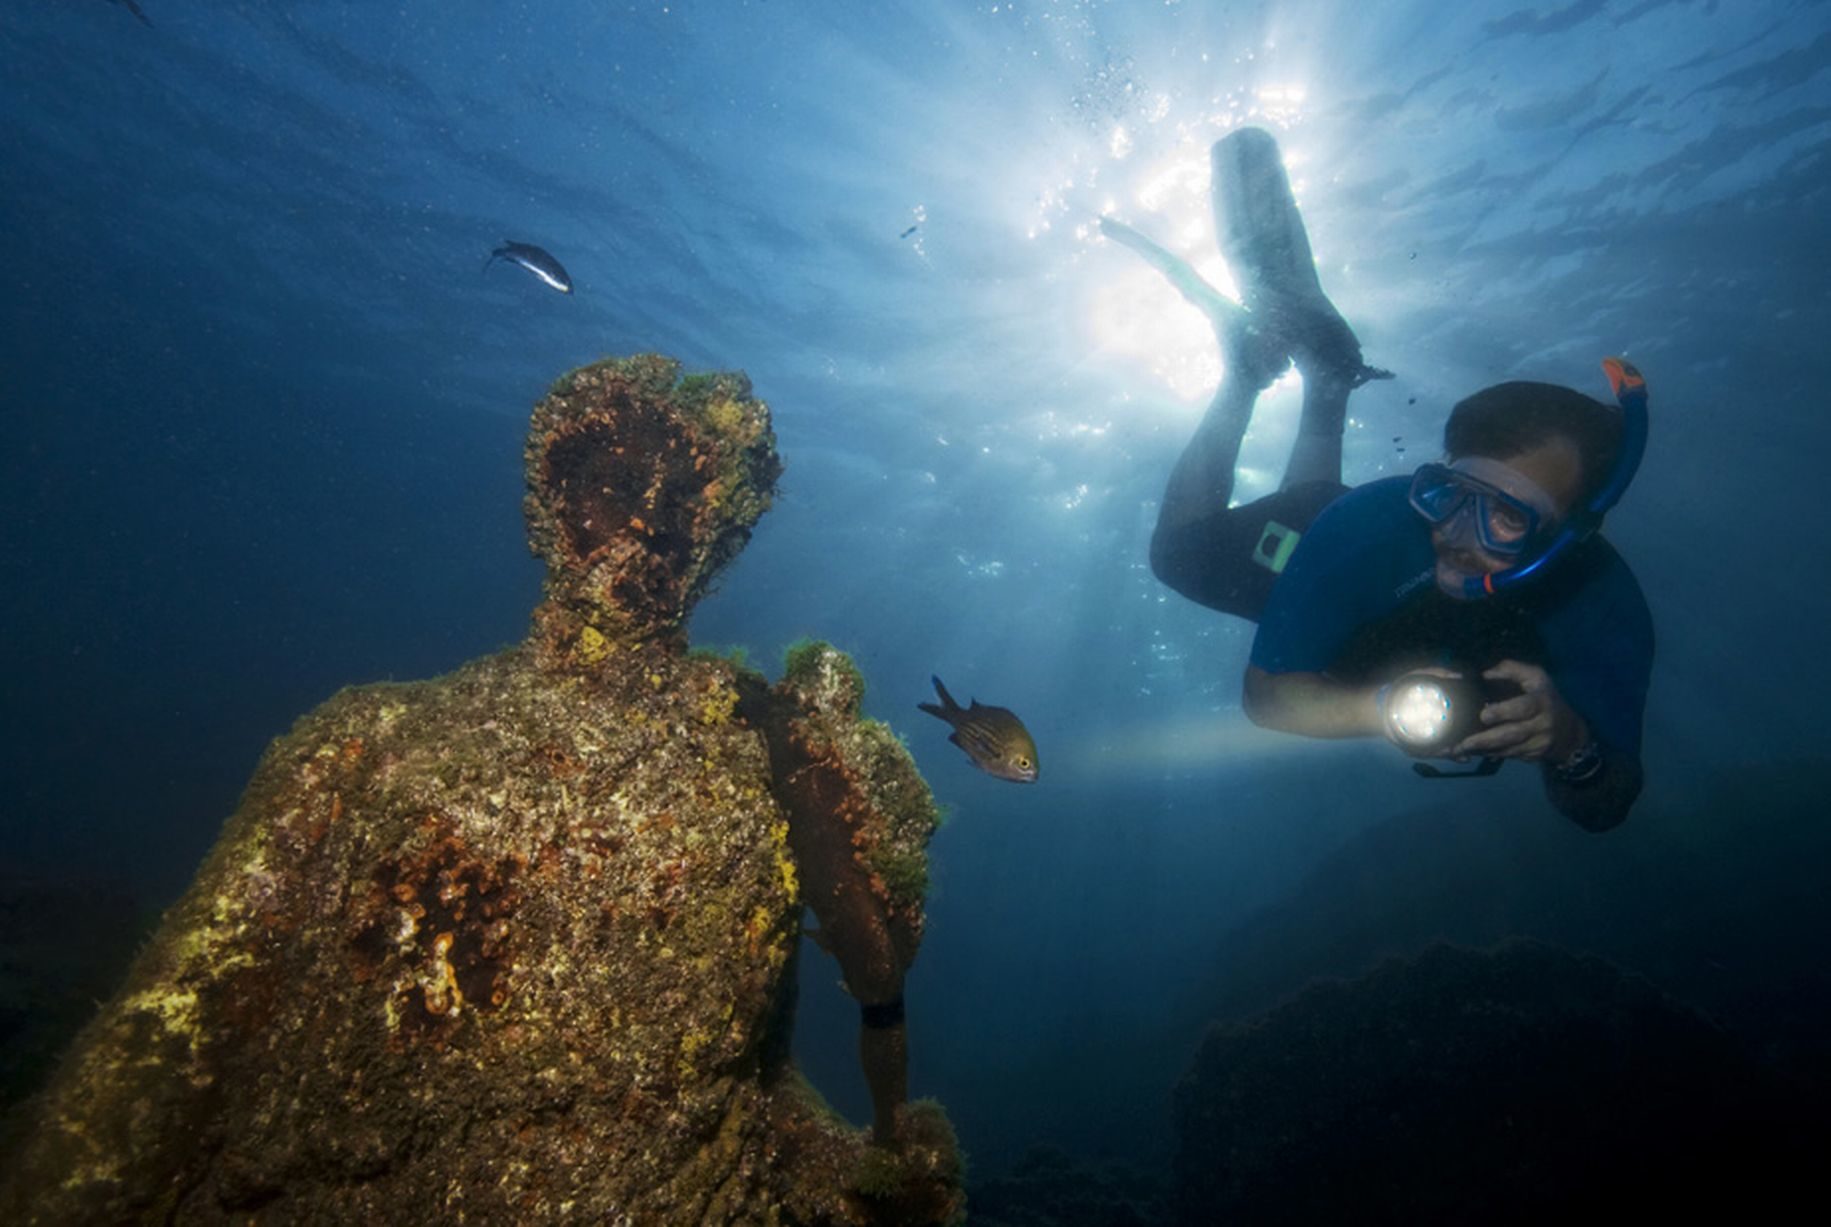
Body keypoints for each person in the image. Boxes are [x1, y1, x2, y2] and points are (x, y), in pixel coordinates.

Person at [1105, 127, 1652, 832]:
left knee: (1305, 517)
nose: (1457, 534)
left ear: (1572, 531)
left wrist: (1571, 742)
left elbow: (1606, 805)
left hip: (1343, 543)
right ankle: (1253, 375)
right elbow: (1266, 696)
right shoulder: (1383, 520)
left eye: (1507, 516)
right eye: (1449, 493)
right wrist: (1383, 709)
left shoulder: (1602, 604)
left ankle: (1326, 378)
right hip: (1335, 540)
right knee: (1179, 555)